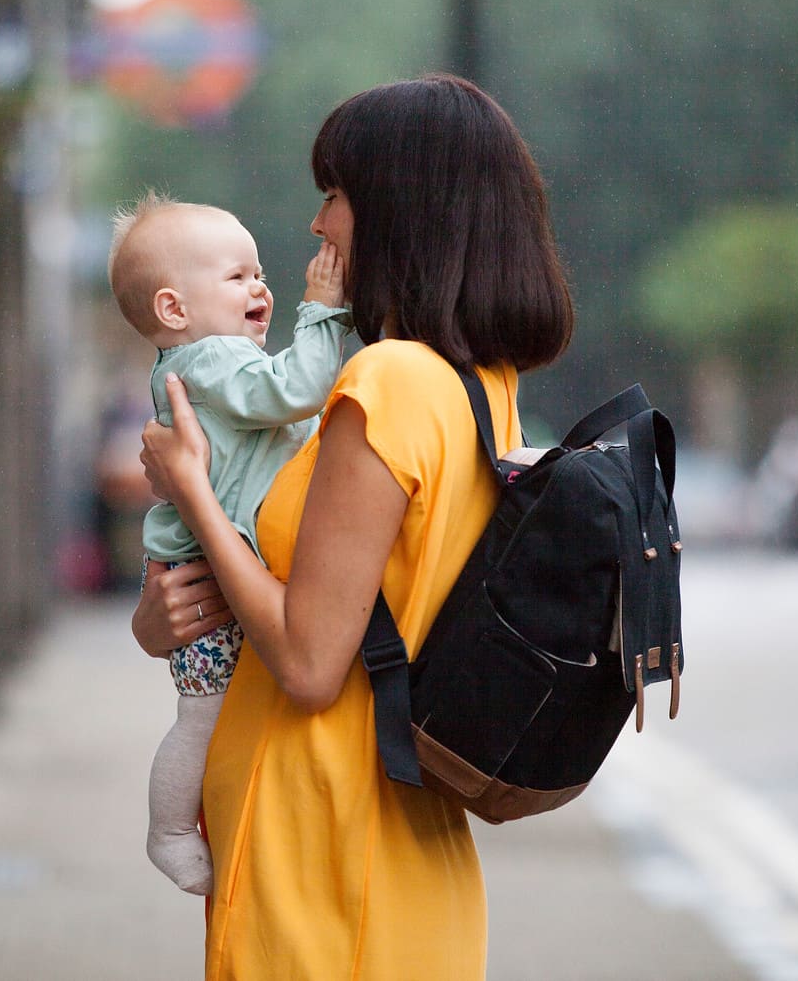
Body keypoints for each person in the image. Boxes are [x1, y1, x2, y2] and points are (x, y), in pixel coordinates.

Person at [133, 74, 575, 979]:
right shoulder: (479, 384)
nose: (318, 224)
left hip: (325, 842)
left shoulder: (387, 386)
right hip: (377, 834)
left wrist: (192, 492)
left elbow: (306, 658)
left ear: (399, 209)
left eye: (334, 195)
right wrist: (159, 619)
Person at [106, 191, 352, 896]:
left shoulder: (216, 368)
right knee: (203, 711)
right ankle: (170, 829)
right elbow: (298, 389)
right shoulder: (208, 361)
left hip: (214, 564)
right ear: (174, 311)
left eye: (260, 272)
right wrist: (325, 309)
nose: (261, 286)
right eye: (237, 275)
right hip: (198, 572)